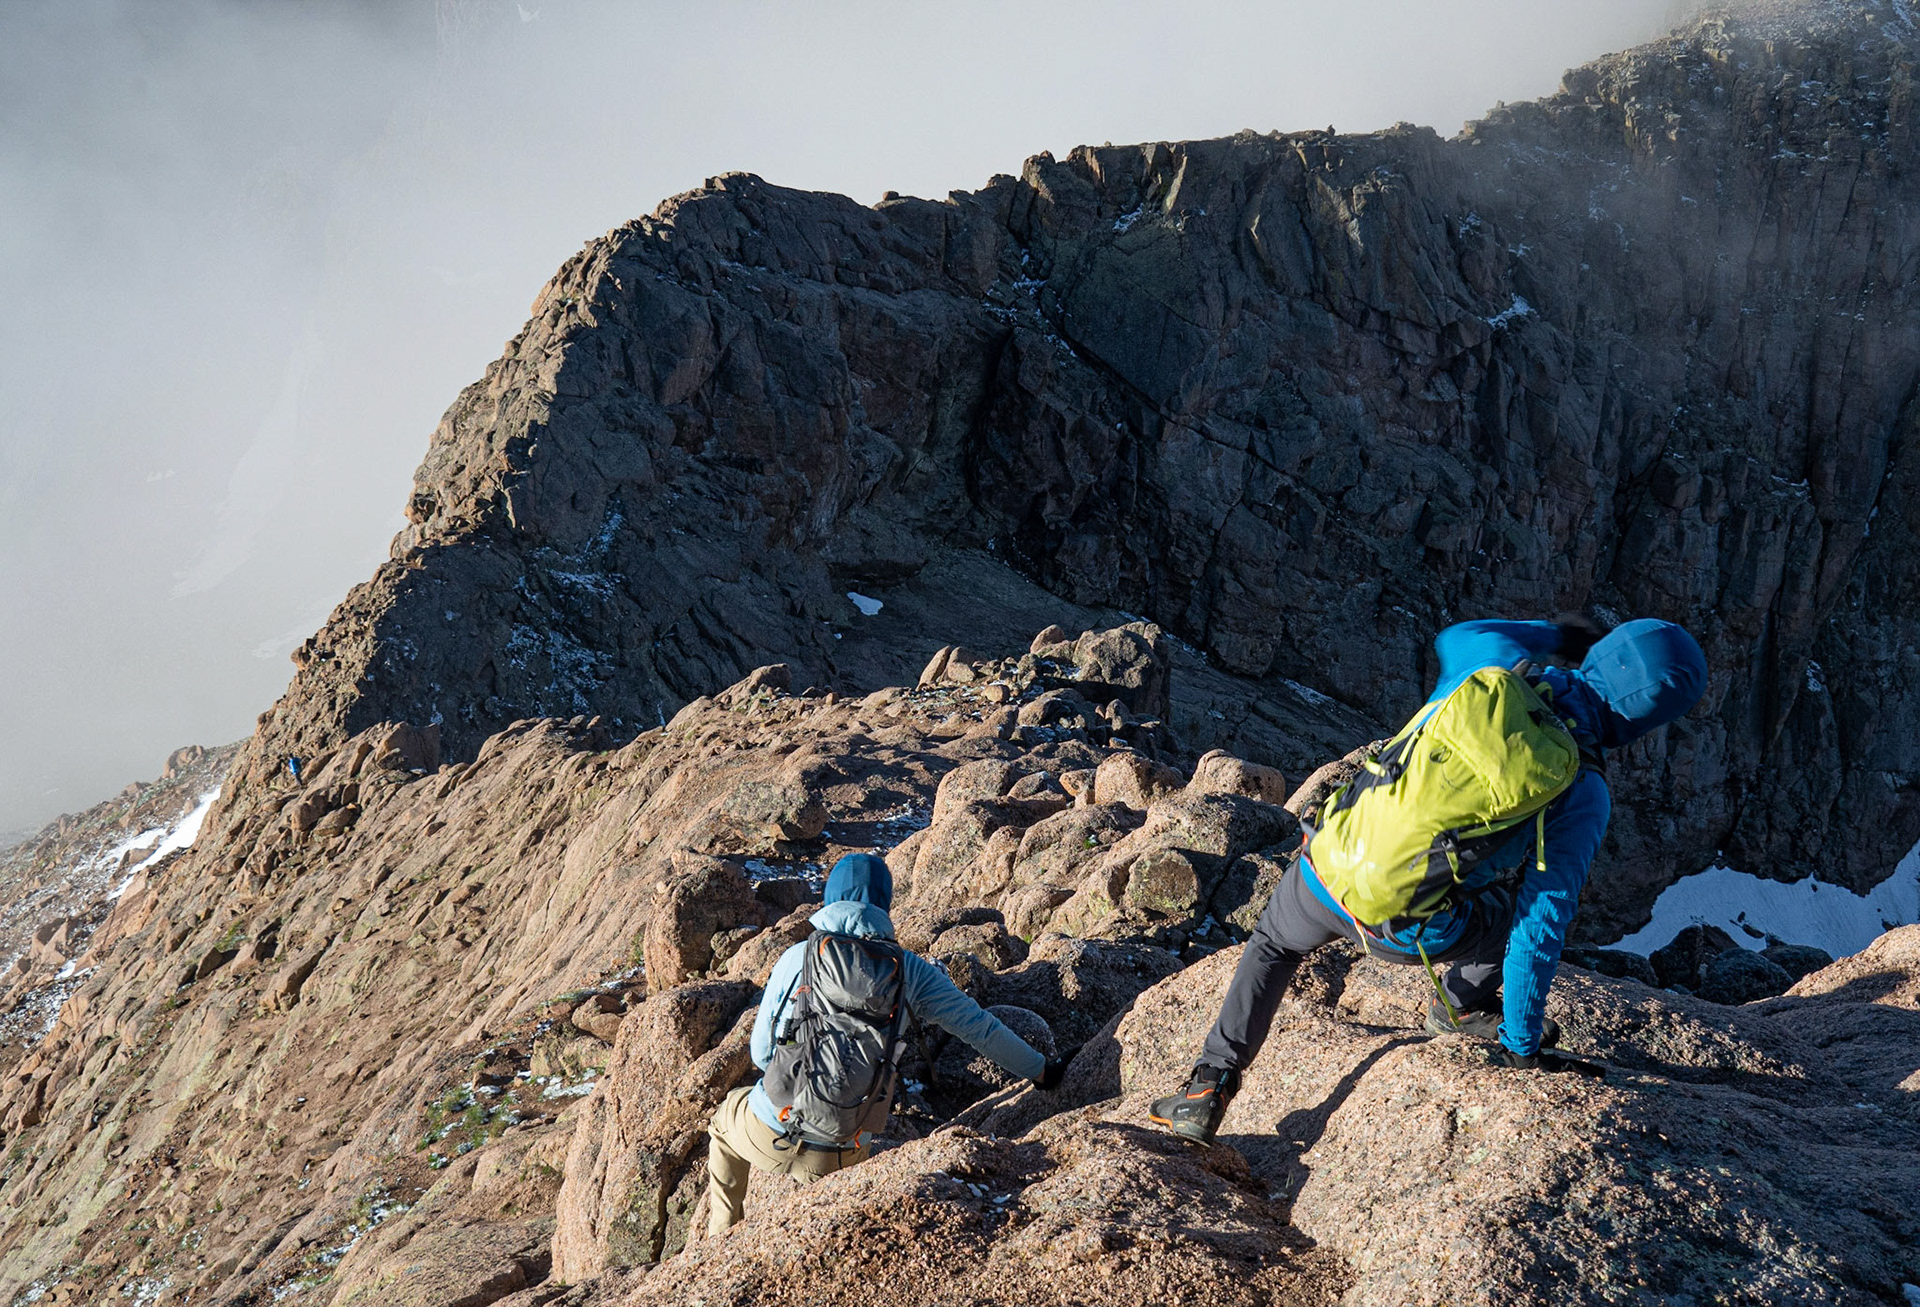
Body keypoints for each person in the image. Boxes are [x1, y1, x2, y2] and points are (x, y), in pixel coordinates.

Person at [1150, 617, 1707, 1144]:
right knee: (1512, 911)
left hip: (1324, 867)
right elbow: (1540, 924)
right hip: (1401, 931)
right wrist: (1522, 1048)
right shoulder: (1582, 787)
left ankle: (1207, 1087)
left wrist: (1555, 634)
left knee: (1272, 946)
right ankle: (1460, 1006)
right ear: (1648, 718)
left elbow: (1461, 633)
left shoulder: (1493, 667)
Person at [706, 852, 1064, 1235]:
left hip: (769, 1133)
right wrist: (1041, 1071)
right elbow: (981, 1029)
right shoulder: (912, 971)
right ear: (884, 903)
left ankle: (719, 1240)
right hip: (840, 1154)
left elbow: (762, 1054)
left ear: (830, 898)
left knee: (722, 1124)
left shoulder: (799, 957)